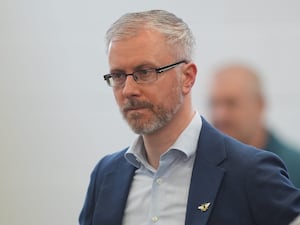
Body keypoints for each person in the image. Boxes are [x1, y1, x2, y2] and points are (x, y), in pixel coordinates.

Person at [79, 10, 300, 225]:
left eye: (145, 72)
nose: (128, 89)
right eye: (117, 76)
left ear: (187, 77)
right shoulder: (106, 175)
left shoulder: (251, 172)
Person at [207, 63, 300, 187]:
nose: (220, 115)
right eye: (214, 104)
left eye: (231, 103)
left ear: (260, 105)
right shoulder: (203, 167)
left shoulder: (294, 169)